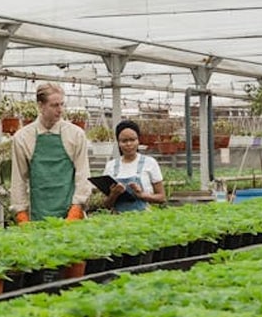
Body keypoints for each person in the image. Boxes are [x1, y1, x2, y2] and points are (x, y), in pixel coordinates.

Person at [10, 82, 92, 222]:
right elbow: (18, 179)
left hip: (70, 213)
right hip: (37, 214)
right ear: (41, 106)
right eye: (54, 105)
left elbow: (83, 174)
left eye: (62, 104)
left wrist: (76, 209)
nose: (60, 110)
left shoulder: (75, 134)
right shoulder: (23, 137)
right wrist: (21, 213)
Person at [103, 119, 167, 212]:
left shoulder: (150, 163)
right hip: (117, 221)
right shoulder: (110, 166)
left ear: (138, 141)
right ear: (118, 143)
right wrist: (114, 194)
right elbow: (106, 205)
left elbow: (162, 197)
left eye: (132, 140)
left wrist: (142, 195)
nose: (129, 144)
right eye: (124, 141)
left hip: (145, 219)